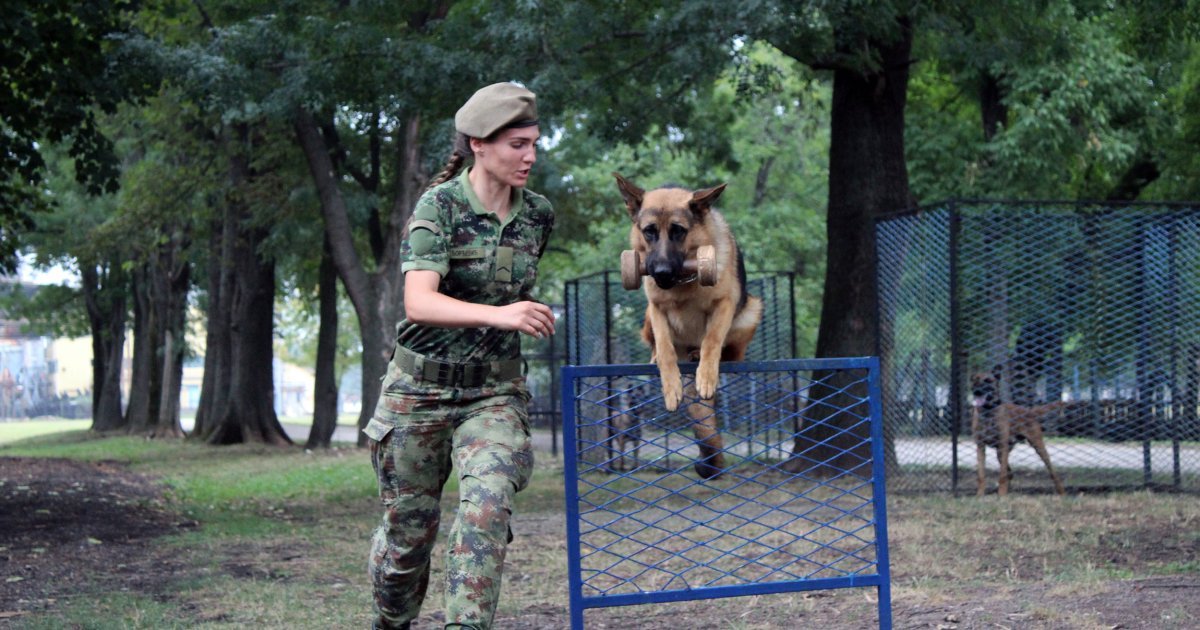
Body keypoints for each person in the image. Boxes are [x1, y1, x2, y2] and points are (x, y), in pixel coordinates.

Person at [362, 82, 556, 630]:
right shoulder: (439, 206)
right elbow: (419, 302)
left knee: (487, 509)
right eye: (517, 144)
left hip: (493, 393)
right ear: (478, 143)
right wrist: (504, 314)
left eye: (534, 143)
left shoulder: (538, 215)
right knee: (407, 544)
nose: (530, 156)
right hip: (417, 394)